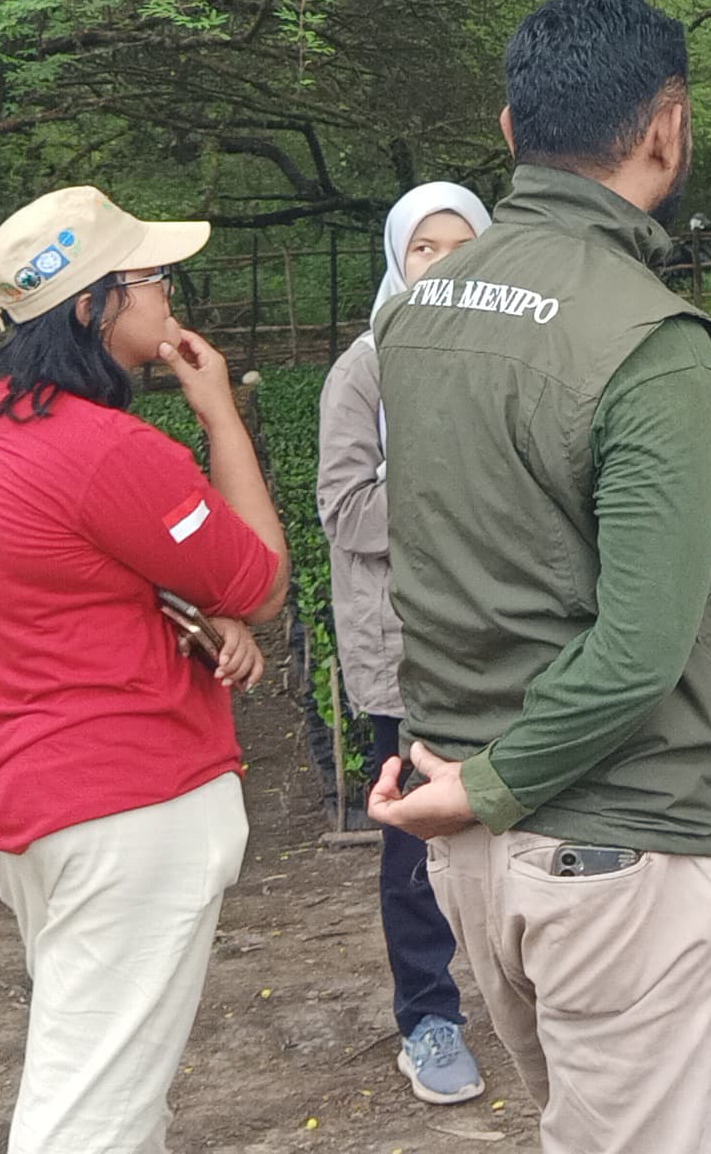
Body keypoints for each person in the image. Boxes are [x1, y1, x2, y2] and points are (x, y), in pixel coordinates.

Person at [360, 0, 711, 1154]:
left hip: (473, 844)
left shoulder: (419, 312)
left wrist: (699, 451)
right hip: (618, 846)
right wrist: (497, 785)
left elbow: (506, 468)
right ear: (668, 127)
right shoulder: (652, 336)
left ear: (512, 130)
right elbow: (640, 651)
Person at [0, 187, 288, 1154]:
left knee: (114, 1095)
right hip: (128, 816)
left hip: (31, 802)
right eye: (152, 277)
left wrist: (184, 611)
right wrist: (219, 415)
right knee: (89, 1120)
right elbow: (261, 582)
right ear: (92, 304)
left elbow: (67, 579)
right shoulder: (110, 450)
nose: (169, 293)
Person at [317, 180, 494, 1106]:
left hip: (506, 633)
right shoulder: (364, 369)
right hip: (410, 646)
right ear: (397, 259)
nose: (443, 264)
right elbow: (348, 511)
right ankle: (429, 1018)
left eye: (462, 245)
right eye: (424, 248)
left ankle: (533, 993)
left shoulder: (509, 353)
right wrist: (456, 481)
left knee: (520, 824)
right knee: (420, 842)